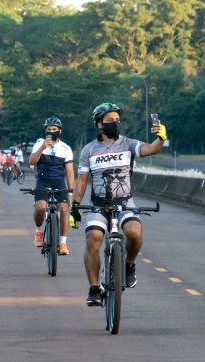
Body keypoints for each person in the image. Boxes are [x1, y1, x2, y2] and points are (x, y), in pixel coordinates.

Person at [70, 102, 167, 306]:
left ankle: (129, 265)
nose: (115, 123)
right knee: (93, 238)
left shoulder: (128, 144)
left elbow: (150, 149)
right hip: (99, 205)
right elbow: (81, 181)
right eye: (110, 120)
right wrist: (75, 206)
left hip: (124, 201)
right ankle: (94, 288)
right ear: (99, 125)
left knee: (134, 232)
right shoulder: (89, 150)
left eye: (117, 120)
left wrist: (161, 138)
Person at [28, 116, 75, 255]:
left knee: (64, 208)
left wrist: (71, 192)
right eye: (49, 129)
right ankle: (38, 232)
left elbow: (70, 171)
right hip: (43, 180)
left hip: (59, 181)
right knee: (41, 206)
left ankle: (62, 243)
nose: (52, 131)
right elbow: (32, 162)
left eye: (54, 129)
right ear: (45, 131)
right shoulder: (39, 144)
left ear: (59, 131)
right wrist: (43, 147)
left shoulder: (66, 148)